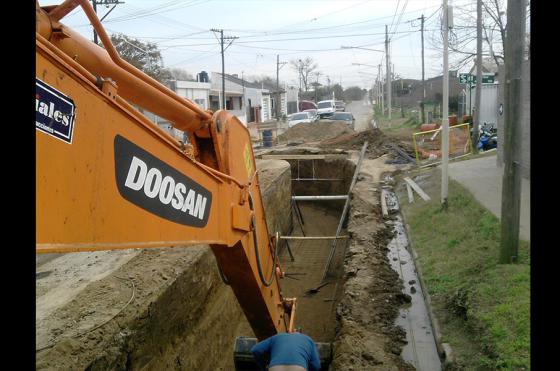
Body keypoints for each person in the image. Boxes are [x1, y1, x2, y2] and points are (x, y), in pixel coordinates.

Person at [251, 332, 321, 371]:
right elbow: (316, 366)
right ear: (300, 333)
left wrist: (264, 366)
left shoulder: (276, 337)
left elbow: (255, 350)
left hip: (275, 368)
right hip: (298, 368)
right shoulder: (308, 339)